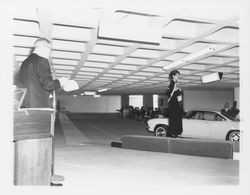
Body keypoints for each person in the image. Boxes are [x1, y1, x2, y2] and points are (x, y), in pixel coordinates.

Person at [18, 37, 69, 186]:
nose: (50, 54)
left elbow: (35, 84)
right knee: (45, 142)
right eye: (50, 50)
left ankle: (33, 177)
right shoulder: (41, 61)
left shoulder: (25, 63)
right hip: (41, 108)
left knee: (33, 143)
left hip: (29, 107)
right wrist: (61, 82)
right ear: (43, 48)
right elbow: (47, 84)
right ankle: (45, 178)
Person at [167, 69, 183, 138]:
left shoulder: (175, 83)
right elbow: (170, 94)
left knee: (177, 117)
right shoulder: (172, 83)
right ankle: (173, 132)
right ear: (173, 76)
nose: (178, 77)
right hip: (173, 103)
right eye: (177, 75)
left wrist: (178, 90)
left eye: (178, 76)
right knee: (174, 118)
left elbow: (176, 94)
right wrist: (176, 90)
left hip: (175, 103)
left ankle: (175, 132)